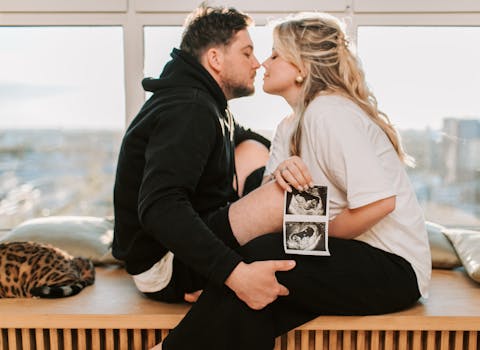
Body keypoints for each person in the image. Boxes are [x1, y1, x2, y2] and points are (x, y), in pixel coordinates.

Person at [153, 12, 431, 350]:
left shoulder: (330, 112)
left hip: (395, 268)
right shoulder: (289, 126)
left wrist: (225, 279)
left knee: (260, 258)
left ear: (301, 67)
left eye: (274, 54)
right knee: (255, 296)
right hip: (343, 257)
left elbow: (380, 203)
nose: (262, 64)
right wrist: (227, 281)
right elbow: (274, 211)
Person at [112, 3, 299, 326]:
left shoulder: (202, 101)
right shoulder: (190, 108)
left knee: (252, 149)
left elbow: (240, 135)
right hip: (164, 264)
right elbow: (160, 206)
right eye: (247, 53)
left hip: (170, 250)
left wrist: (282, 158)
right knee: (282, 197)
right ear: (215, 58)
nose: (256, 63)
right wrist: (235, 275)